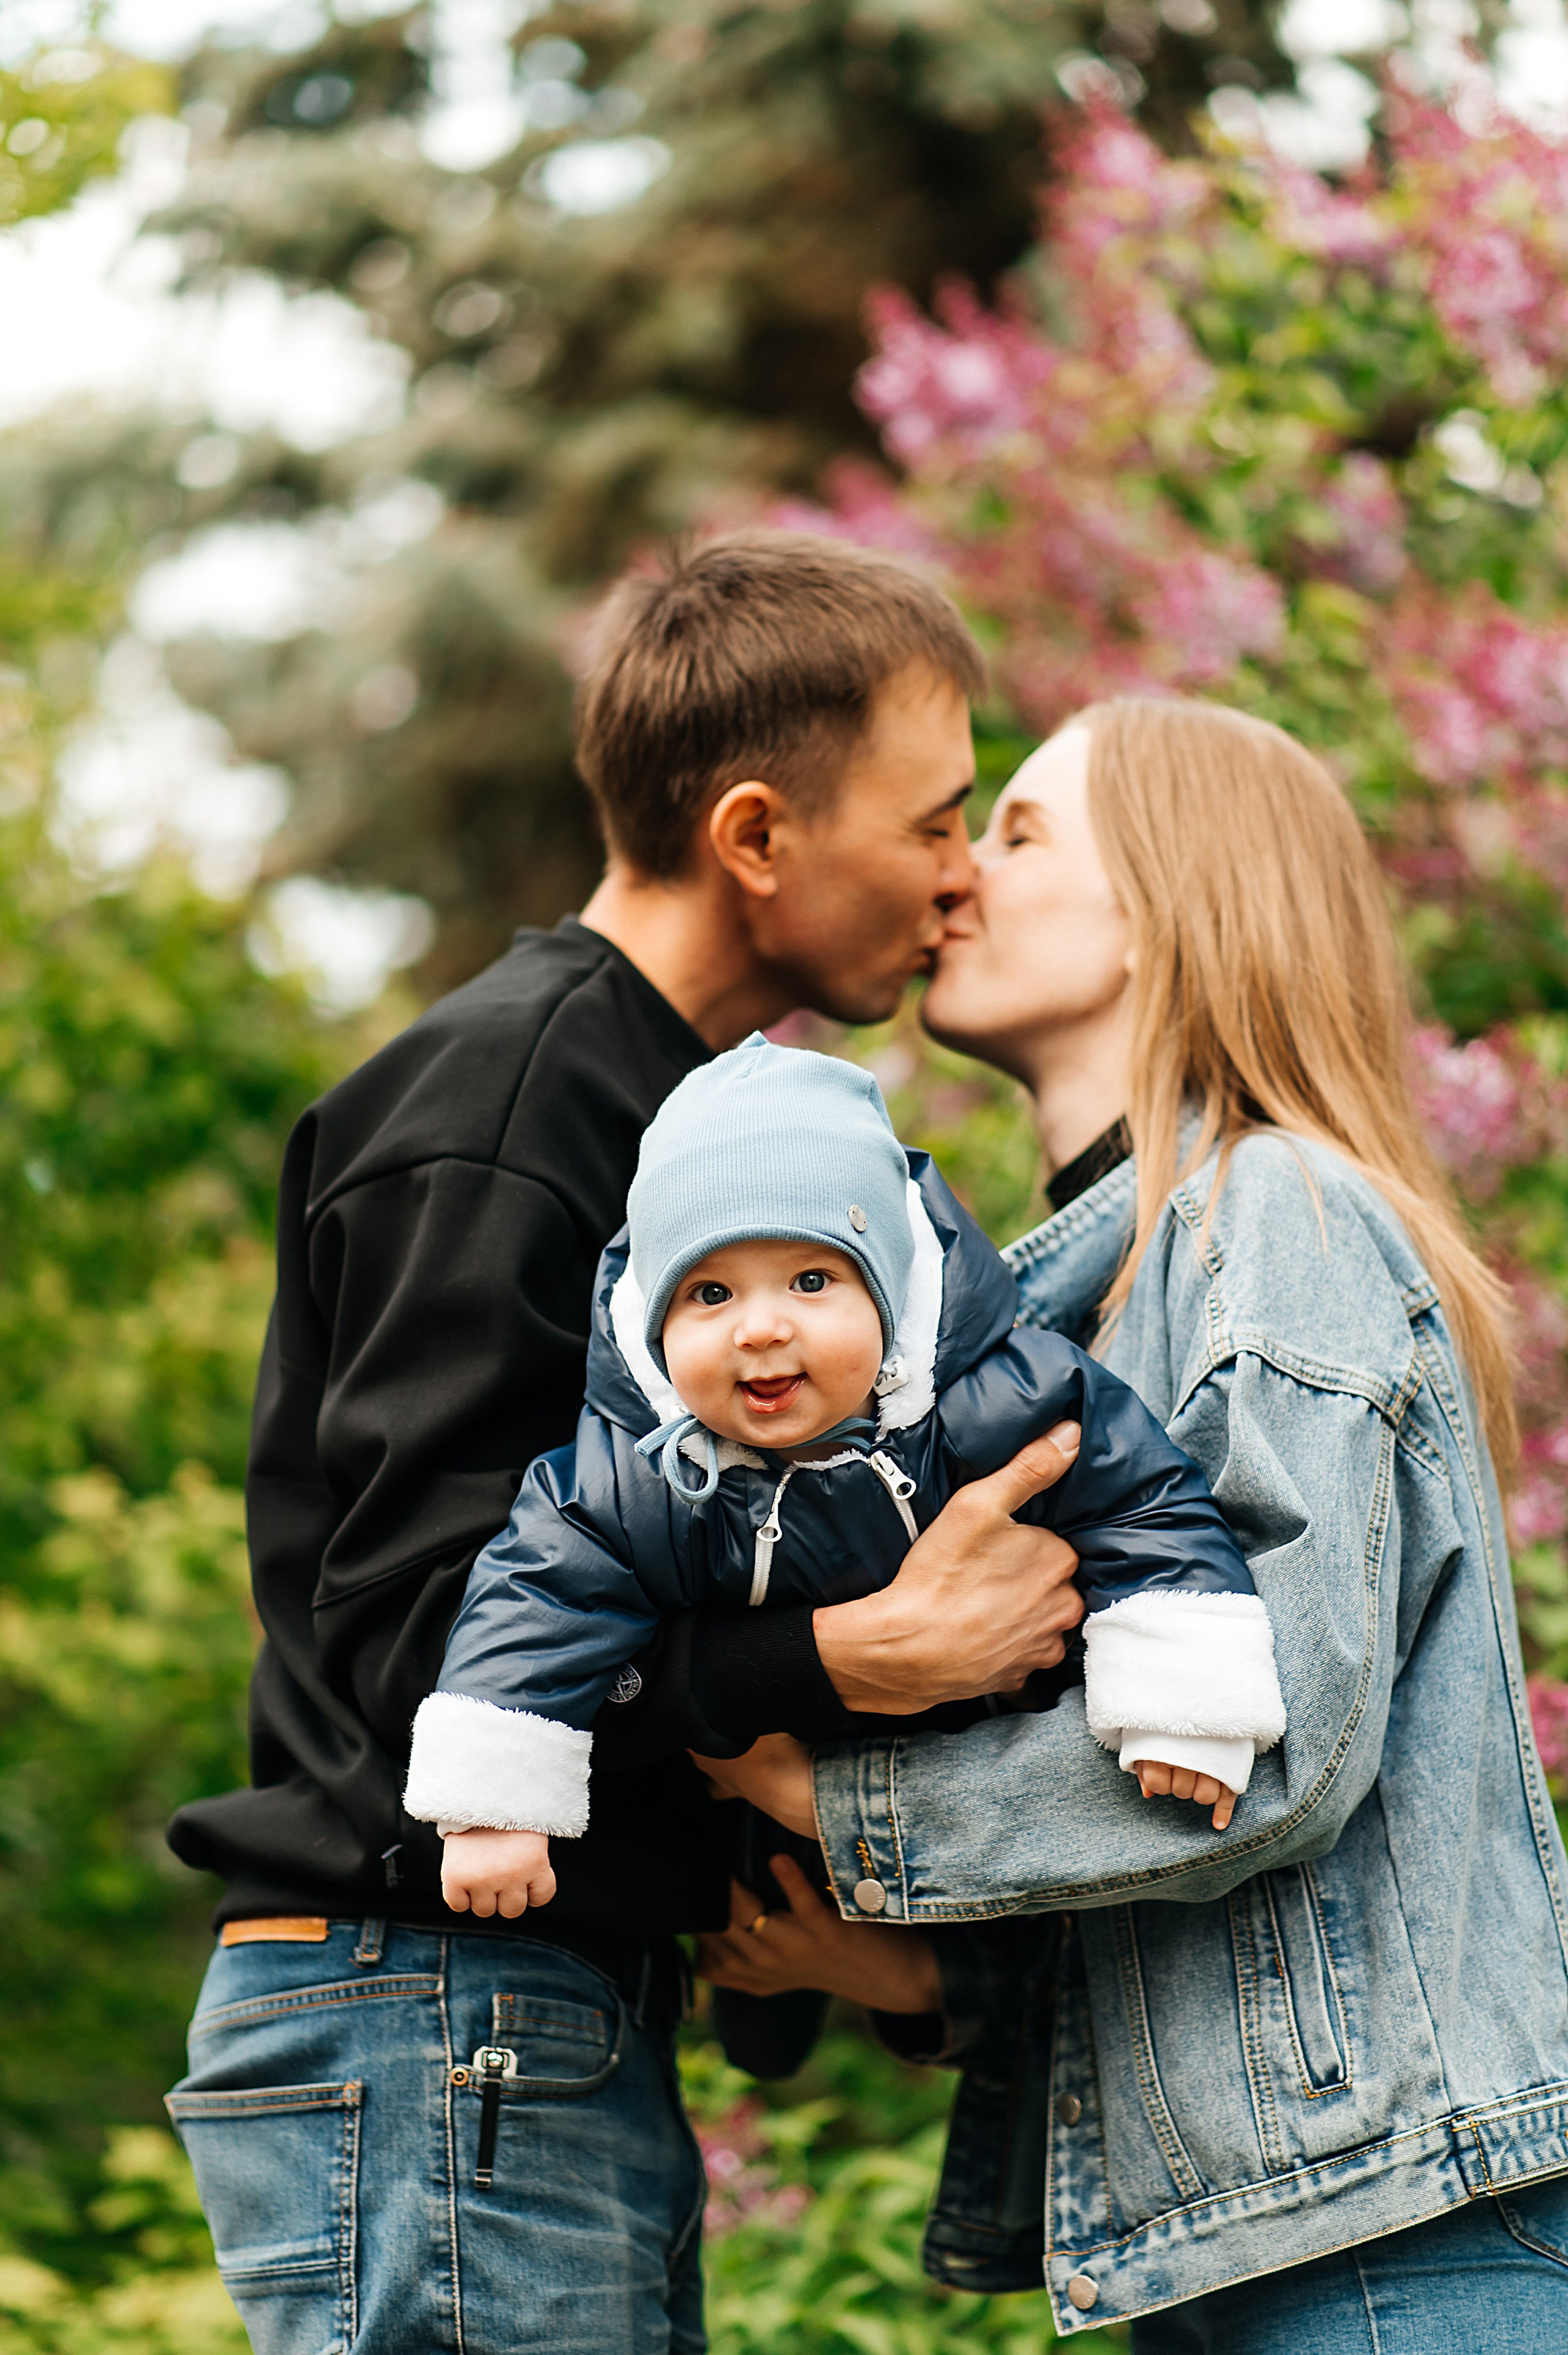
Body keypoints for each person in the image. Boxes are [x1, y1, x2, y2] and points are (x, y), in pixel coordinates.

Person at [161, 531, 1089, 2355]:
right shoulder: (515, 1110)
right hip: (431, 1993)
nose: (960, 873)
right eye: (933, 819)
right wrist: (839, 1656)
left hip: (513, 2015)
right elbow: (428, 1637)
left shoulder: (692, 1137)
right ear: (757, 837)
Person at [698, 697, 1568, 2353]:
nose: (955, 879)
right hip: (1284, 2241)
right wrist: (926, 1978)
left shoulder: (1279, 1215)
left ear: (1174, 904)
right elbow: (1179, 1849)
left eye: (1019, 833)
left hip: (1396, 2243)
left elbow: (1263, 1742)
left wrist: (837, 1792)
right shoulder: (1093, 1303)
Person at [405, 1030, 1282, 1932]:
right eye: (710, 1294)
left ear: (890, 1294)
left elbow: (1138, 1499)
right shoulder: (638, 1474)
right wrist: (494, 1805)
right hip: (778, 1792)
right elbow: (538, 1601)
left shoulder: (999, 1400)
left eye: (812, 1279)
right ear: (656, 1319)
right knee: (761, 1931)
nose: (759, 1329)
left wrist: (1182, 1699)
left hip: (986, 1770)